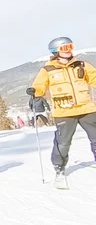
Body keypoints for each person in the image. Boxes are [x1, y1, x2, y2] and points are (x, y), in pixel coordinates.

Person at [28, 36, 96, 178]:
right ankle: (59, 166)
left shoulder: (81, 65)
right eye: (65, 48)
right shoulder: (48, 70)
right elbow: (39, 85)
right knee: (63, 143)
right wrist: (35, 92)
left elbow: (94, 78)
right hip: (64, 111)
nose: (69, 50)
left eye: (71, 46)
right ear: (55, 51)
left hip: (87, 109)